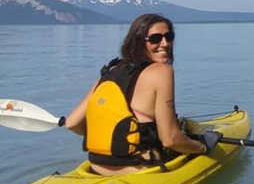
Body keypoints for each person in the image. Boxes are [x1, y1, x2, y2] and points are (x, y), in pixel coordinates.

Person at [64, 13, 221, 175]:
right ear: (139, 41)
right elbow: (170, 139)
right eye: (155, 39)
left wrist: (110, 138)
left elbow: (72, 123)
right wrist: (203, 147)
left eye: (169, 36)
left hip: (96, 166)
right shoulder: (162, 71)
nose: (165, 43)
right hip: (138, 170)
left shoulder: (111, 70)